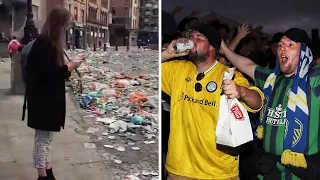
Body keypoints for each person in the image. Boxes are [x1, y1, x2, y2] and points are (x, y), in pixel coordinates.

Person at [161, 24, 264, 180]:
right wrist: (167, 54)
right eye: (191, 37)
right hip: (180, 171)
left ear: (213, 48)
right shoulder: (176, 69)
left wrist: (241, 91)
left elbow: (257, 102)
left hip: (219, 173)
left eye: (199, 37)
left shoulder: (228, 74)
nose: (192, 40)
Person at [220, 28, 320, 179]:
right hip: (271, 169)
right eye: (280, 45)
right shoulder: (272, 80)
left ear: (305, 53)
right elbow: (247, 65)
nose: (282, 48)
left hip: (302, 172)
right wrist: (225, 50)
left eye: (290, 45)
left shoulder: (314, 79)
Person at [24, 7, 84, 180]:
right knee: (42, 140)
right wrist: (70, 67)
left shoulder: (50, 43)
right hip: (43, 101)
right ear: (58, 25)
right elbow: (47, 75)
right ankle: (42, 176)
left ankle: (48, 170)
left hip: (48, 99)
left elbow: (53, 72)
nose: (65, 29)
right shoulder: (44, 44)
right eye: (65, 26)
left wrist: (68, 68)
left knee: (47, 138)